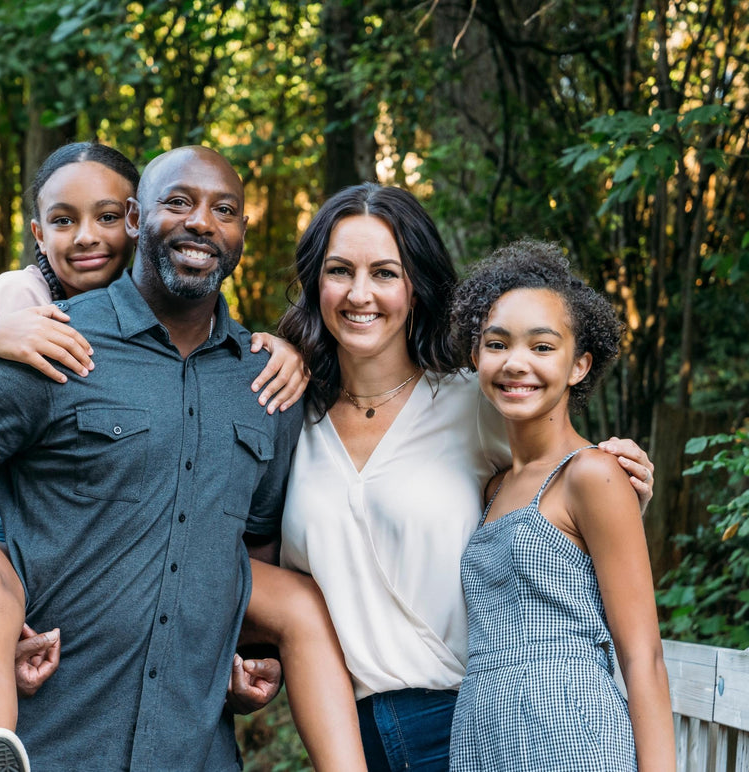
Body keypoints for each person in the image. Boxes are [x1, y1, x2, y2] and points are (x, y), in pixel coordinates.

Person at [0, 146, 362, 772]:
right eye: (179, 203)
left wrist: (243, 656)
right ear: (136, 219)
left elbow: (253, 546)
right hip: (52, 745)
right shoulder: (51, 342)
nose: (201, 223)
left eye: (225, 210)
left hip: (196, 751)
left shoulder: (266, 384)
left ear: (243, 231)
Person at [272, 184, 656, 772]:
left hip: (476, 725)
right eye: (339, 270)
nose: (359, 293)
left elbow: (559, 483)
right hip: (348, 735)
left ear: (416, 285)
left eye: (385, 273)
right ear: (315, 283)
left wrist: (625, 488)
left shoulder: (473, 402)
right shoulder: (287, 416)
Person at [446, 241, 674, 771]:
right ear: (478, 356)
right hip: (483, 740)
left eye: (543, 347)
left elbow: (644, 657)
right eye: (497, 344)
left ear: (579, 364)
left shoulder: (592, 474)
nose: (516, 363)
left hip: (572, 738)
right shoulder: (494, 487)